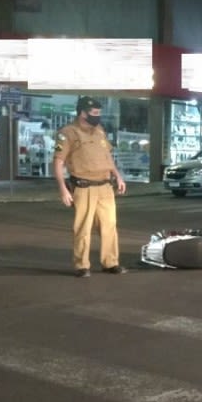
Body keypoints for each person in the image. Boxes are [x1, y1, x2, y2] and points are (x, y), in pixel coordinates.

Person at [52, 96, 127, 277]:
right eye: (94, 113)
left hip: (105, 186)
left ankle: (110, 262)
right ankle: (81, 265)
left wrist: (118, 176)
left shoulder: (99, 130)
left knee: (109, 226)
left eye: (99, 112)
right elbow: (58, 162)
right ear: (82, 113)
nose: (98, 116)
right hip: (84, 187)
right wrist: (62, 189)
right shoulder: (67, 133)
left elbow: (108, 157)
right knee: (83, 228)